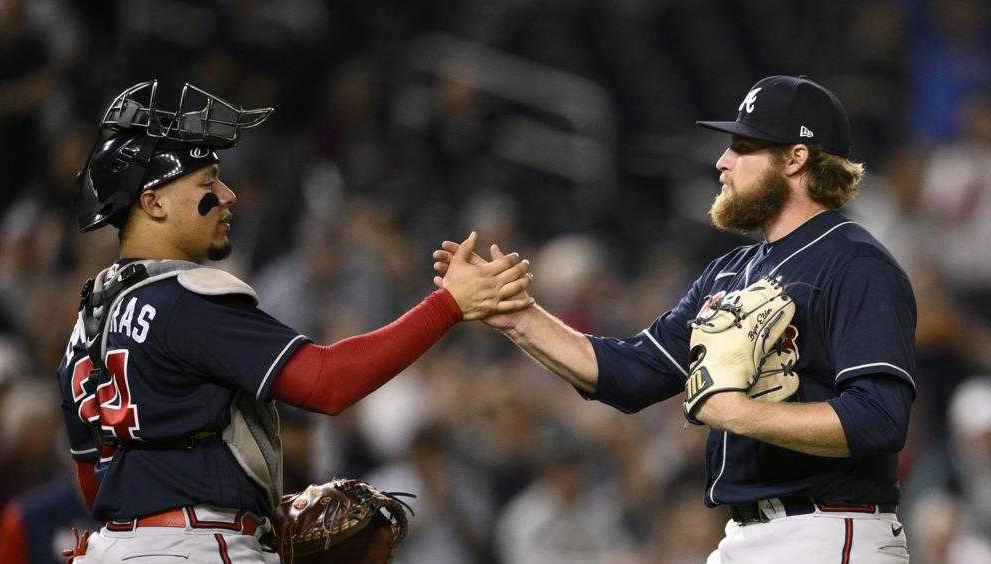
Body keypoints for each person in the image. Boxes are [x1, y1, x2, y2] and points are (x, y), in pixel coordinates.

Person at [435, 75, 916, 563]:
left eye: (744, 146)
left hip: (830, 529)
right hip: (746, 535)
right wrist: (518, 316)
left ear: (796, 158)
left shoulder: (855, 264)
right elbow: (633, 374)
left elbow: (879, 419)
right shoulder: (729, 272)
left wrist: (737, 412)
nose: (722, 161)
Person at [57, 80, 533, 564]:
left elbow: (94, 484)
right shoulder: (184, 300)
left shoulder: (85, 328)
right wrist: (449, 305)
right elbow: (326, 383)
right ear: (153, 202)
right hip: (197, 547)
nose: (228, 194)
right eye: (207, 183)